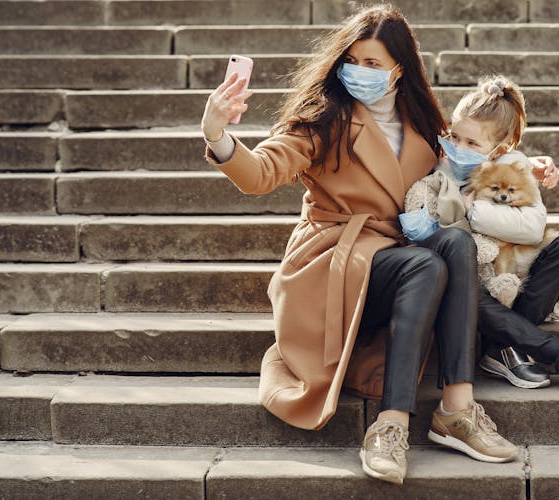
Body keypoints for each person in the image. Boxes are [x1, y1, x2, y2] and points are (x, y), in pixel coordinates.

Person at [201, 5, 517, 486]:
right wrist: (217, 134)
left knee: (454, 244)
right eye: (353, 60)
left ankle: (457, 409)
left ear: (399, 70)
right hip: (334, 266)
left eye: (373, 64)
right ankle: (389, 426)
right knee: (424, 268)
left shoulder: (422, 128)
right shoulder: (323, 120)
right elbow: (262, 172)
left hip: (395, 266)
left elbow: (462, 171)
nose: (359, 72)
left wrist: (529, 170)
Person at [423, 74, 559, 392]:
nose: (457, 148)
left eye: (471, 143)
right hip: (474, 288)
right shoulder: (439, 168)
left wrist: (472, 210)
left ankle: (501, 347)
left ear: (500, 150)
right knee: (463, 288)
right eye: (454, 137)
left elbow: (533, 227)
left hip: (517, 280)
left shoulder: (514, 166)